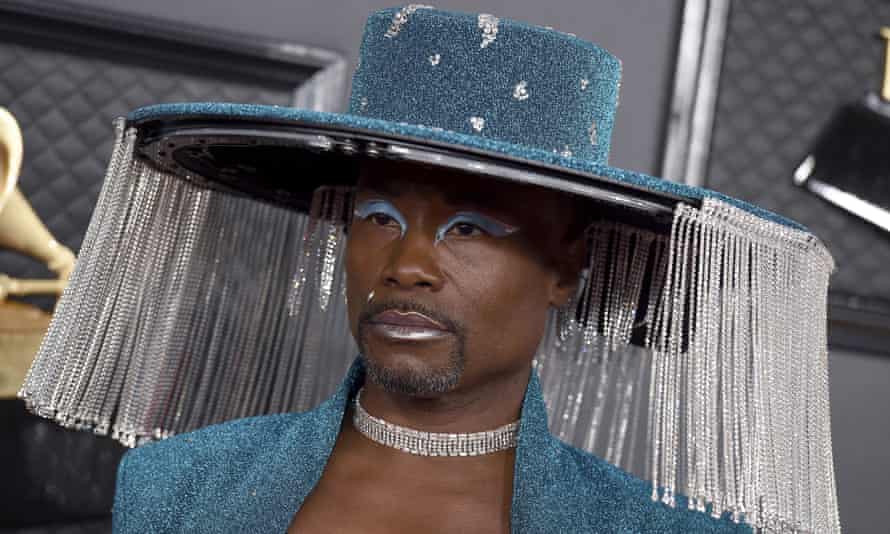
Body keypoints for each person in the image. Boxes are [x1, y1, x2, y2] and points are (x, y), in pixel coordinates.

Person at [20, 6, 840, 533]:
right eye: (378, 216)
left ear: (567, 267)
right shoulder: (177, 491)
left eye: (471, 226)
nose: (406, 264)